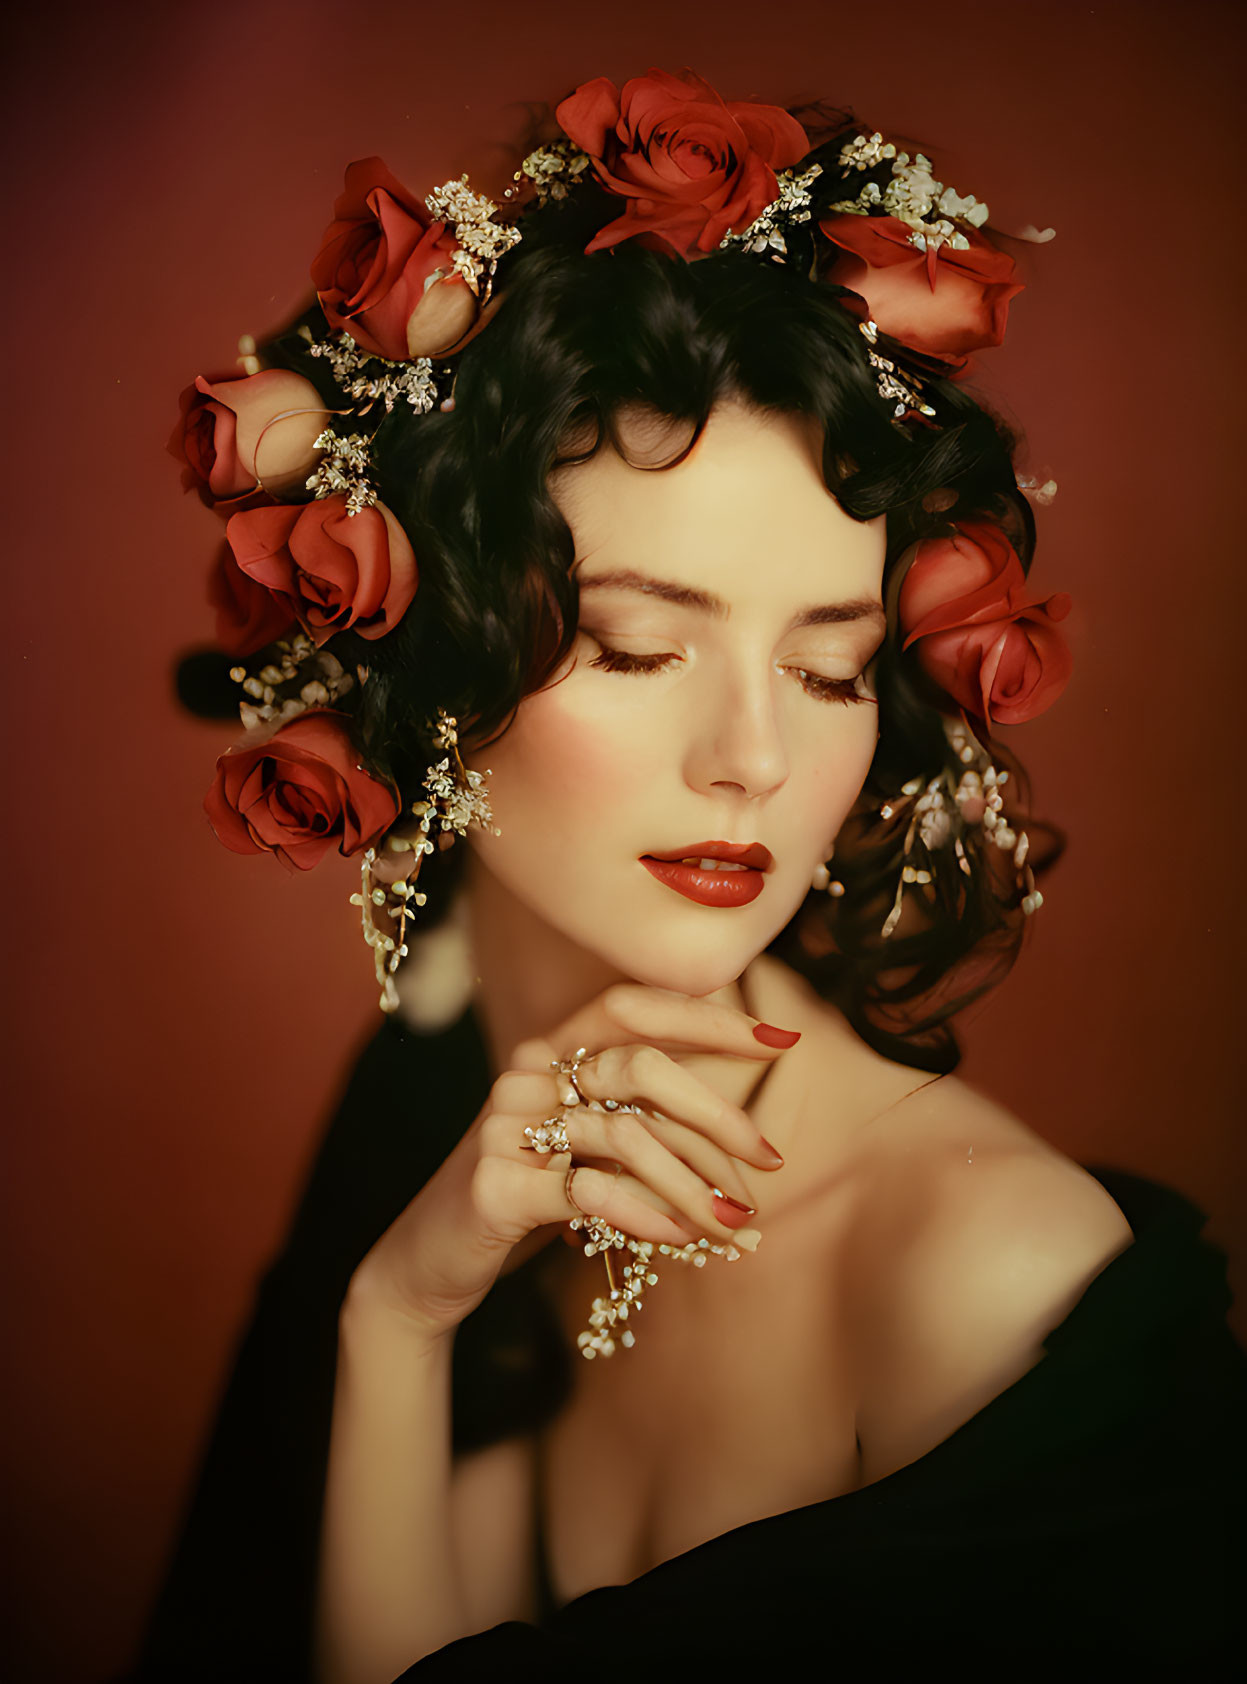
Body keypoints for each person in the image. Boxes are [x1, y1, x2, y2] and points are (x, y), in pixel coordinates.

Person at [140, 69, 1246, 1683]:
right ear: (434, 663)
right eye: (639, 647)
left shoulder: (1002, 1291)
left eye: (829, 669)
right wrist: (395, 1325)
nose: (751, 758)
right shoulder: (436, 1095)